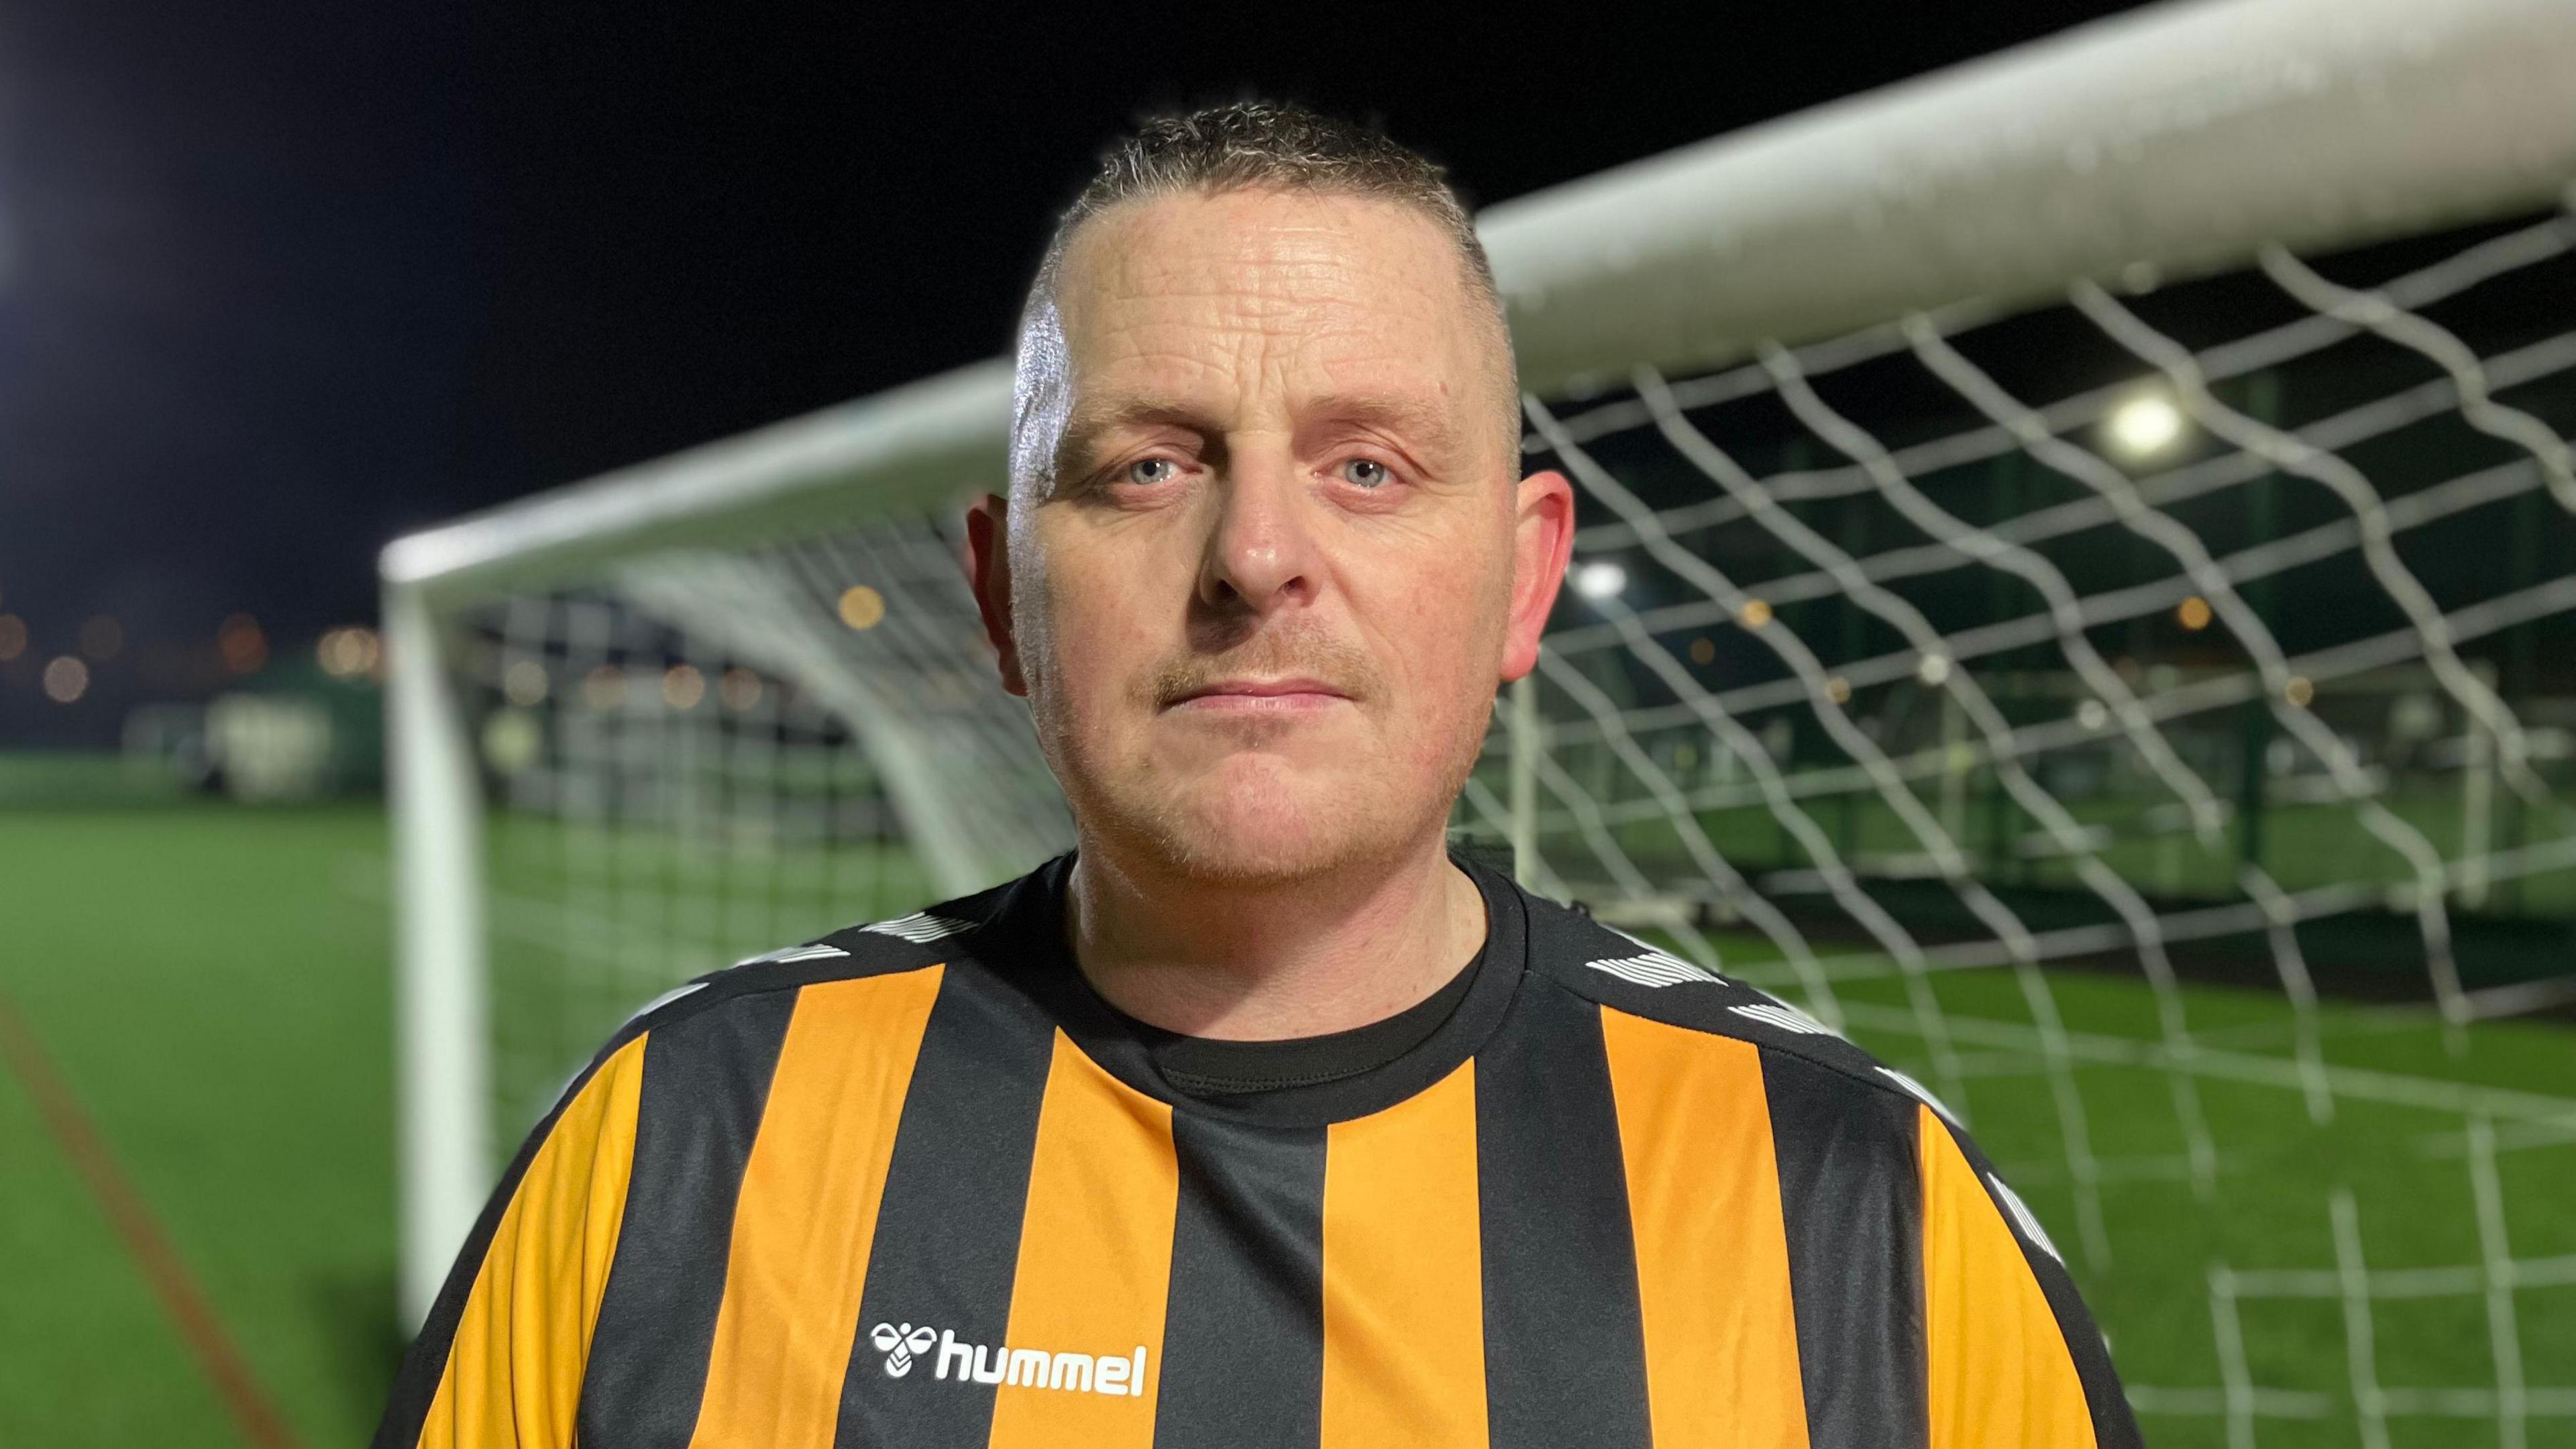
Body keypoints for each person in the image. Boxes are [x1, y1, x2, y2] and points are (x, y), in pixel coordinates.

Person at [376, 101, 2141, 1449]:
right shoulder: (682, 1138)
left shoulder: (1864, 1215)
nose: (1258, 556)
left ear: (1525, 578)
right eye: (1149, 466)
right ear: (999, 591)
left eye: (1369, 466)